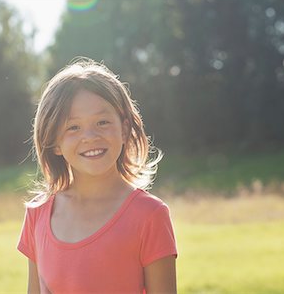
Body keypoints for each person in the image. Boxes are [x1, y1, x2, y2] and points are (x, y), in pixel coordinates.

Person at [17, 58, 177, 294]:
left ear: (123, 130)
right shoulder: (37, 214)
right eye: (73, 127)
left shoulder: (150, 216)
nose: (90, 136)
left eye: (102, 122)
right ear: (54, 142)